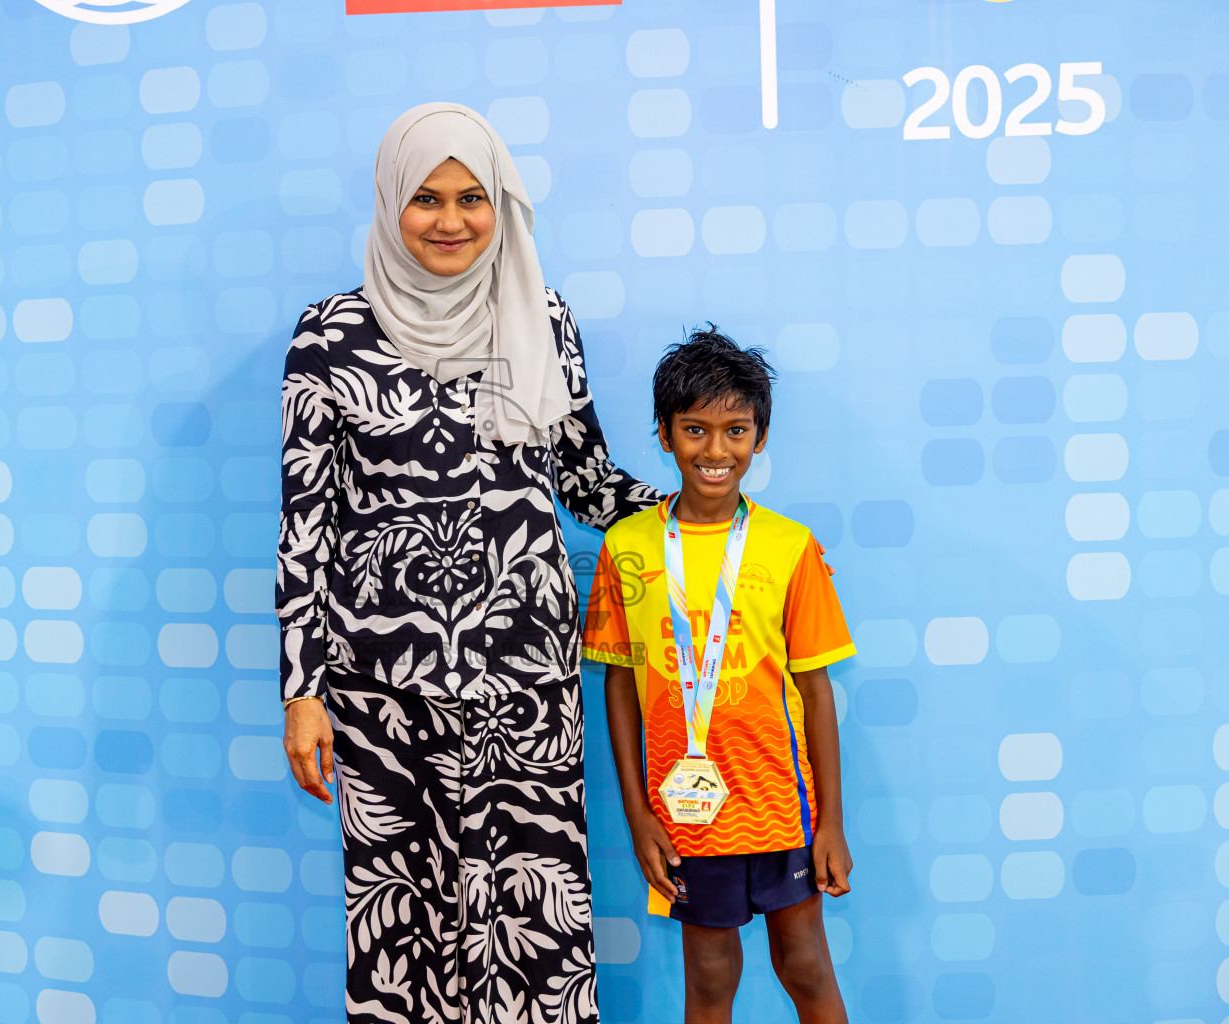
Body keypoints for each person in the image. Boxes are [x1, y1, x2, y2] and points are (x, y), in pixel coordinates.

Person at [276, 102, 662, 1024]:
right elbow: (305, 526)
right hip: (381, 690)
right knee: (402, 922)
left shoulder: (543, 319)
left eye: (472, 198)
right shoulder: (330, 337)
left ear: (503, 207)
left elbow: (587, 482)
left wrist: (721, 520)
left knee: (531, 920)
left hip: (526, 688)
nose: (450, 221)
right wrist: (302, 691)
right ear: (389, 205)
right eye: (425, 198)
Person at [581, 328, 857, 1024]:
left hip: (782, 807)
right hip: (686, 817)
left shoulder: (790, 547)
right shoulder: (628, 547)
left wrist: (831, 824)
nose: (716, 450)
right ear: (666, 435)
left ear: (759, 438)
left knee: (806, 967)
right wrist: (639, 814)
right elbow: (619, 684)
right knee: (708, 979)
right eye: (695, 430)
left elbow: (816, 692)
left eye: (736, 430)